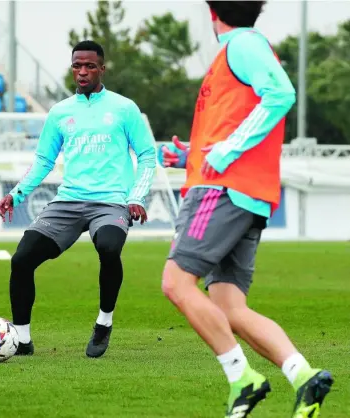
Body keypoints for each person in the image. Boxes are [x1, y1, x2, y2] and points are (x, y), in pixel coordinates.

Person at [157, 2, 333, 417]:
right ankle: (304, 377)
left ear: (211, 9)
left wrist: (226, 151)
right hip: (242, 194)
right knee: (230, 308)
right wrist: (191, 158)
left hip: (220, 192)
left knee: (176, 284)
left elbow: (281, 94)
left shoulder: (243, 45)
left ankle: (243, 377)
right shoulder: (238, 51)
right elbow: (231, 129)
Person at [0, 40, 156, 359]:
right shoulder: (60, 113)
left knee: (109, 248)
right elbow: (44, 160)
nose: (82, 72)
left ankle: (104, 323)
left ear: (102, 68)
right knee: (22, 259)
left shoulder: (124, 108)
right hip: (68, 201)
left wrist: (136, 196)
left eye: (89, 66)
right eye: (77, 66)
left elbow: (148, 156)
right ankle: (23, 340)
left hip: (110, 201)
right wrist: (17, 193)